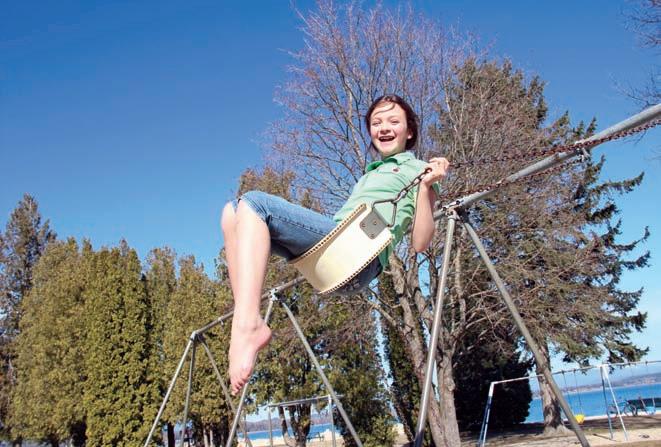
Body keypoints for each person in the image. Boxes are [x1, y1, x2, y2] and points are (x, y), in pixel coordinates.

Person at [221, 94, 450, 394]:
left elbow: (420, 242)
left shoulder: (419, 170)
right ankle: (244, 321)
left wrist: (426, 185)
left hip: (356, 255)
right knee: (231, 215)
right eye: (376, 122)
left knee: (254, 203)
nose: (384, 127)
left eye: (394, 121)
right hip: (331, 256)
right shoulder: (369, 174)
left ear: (409, 131)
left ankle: (248, 326)